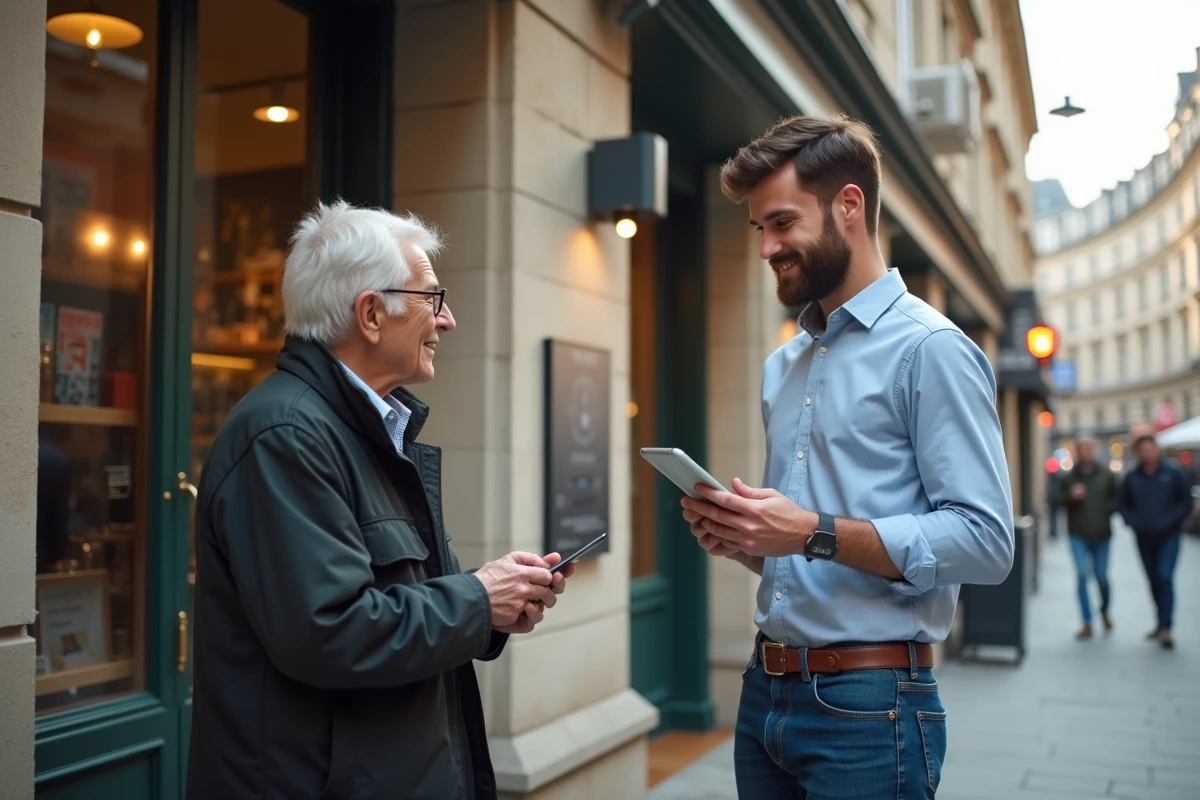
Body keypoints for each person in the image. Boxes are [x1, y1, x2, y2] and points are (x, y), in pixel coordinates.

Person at [186, 200, 574, 799]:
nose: (447, 321)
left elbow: (392, 604)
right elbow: (330, 632)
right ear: (371, 314)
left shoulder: (362, 431)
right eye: (432, 299)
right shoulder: (285, 437)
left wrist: (495, 603)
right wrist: (476, 599)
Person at [680, 114, 1014, 799]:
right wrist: (748, 538)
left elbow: (986, 543)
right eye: (758, 231)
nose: (767, 248)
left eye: (780, 223)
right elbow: (806, 551)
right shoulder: (784, 365)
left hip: (872, 705)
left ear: (849, 206)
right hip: (764, 690)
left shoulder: (932, 349)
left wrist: (807, 530)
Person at [1118, 434, 1192, 649]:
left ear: (1157, 450)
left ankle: (1167, 626)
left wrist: (1171, 521)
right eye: (1143, 449)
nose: (1147, 453)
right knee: (1153, 579)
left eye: (1151, 448)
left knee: (1165, 576)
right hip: (1144, 537)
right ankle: (1160, 622)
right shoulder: (1132, 476)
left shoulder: (1173, 473)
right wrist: (1134, 522)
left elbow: (1185, 502)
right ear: (1138, 452)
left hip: (1169, 536)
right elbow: (1123, 504)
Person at [1056, 435, 1120, 638]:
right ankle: (1087, 621)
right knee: (1082, 575)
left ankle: (1104, 610)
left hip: (1102, 534)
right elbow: (1056, 500)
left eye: (1089, 449)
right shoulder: (1069, 477)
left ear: (1095, 451)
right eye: (1082, 449)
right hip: (1078, 534)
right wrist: (1070, 497)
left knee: (1101, 577)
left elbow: (1117, 499)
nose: (1086, 453)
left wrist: (1106, 511)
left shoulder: (1106, 475)